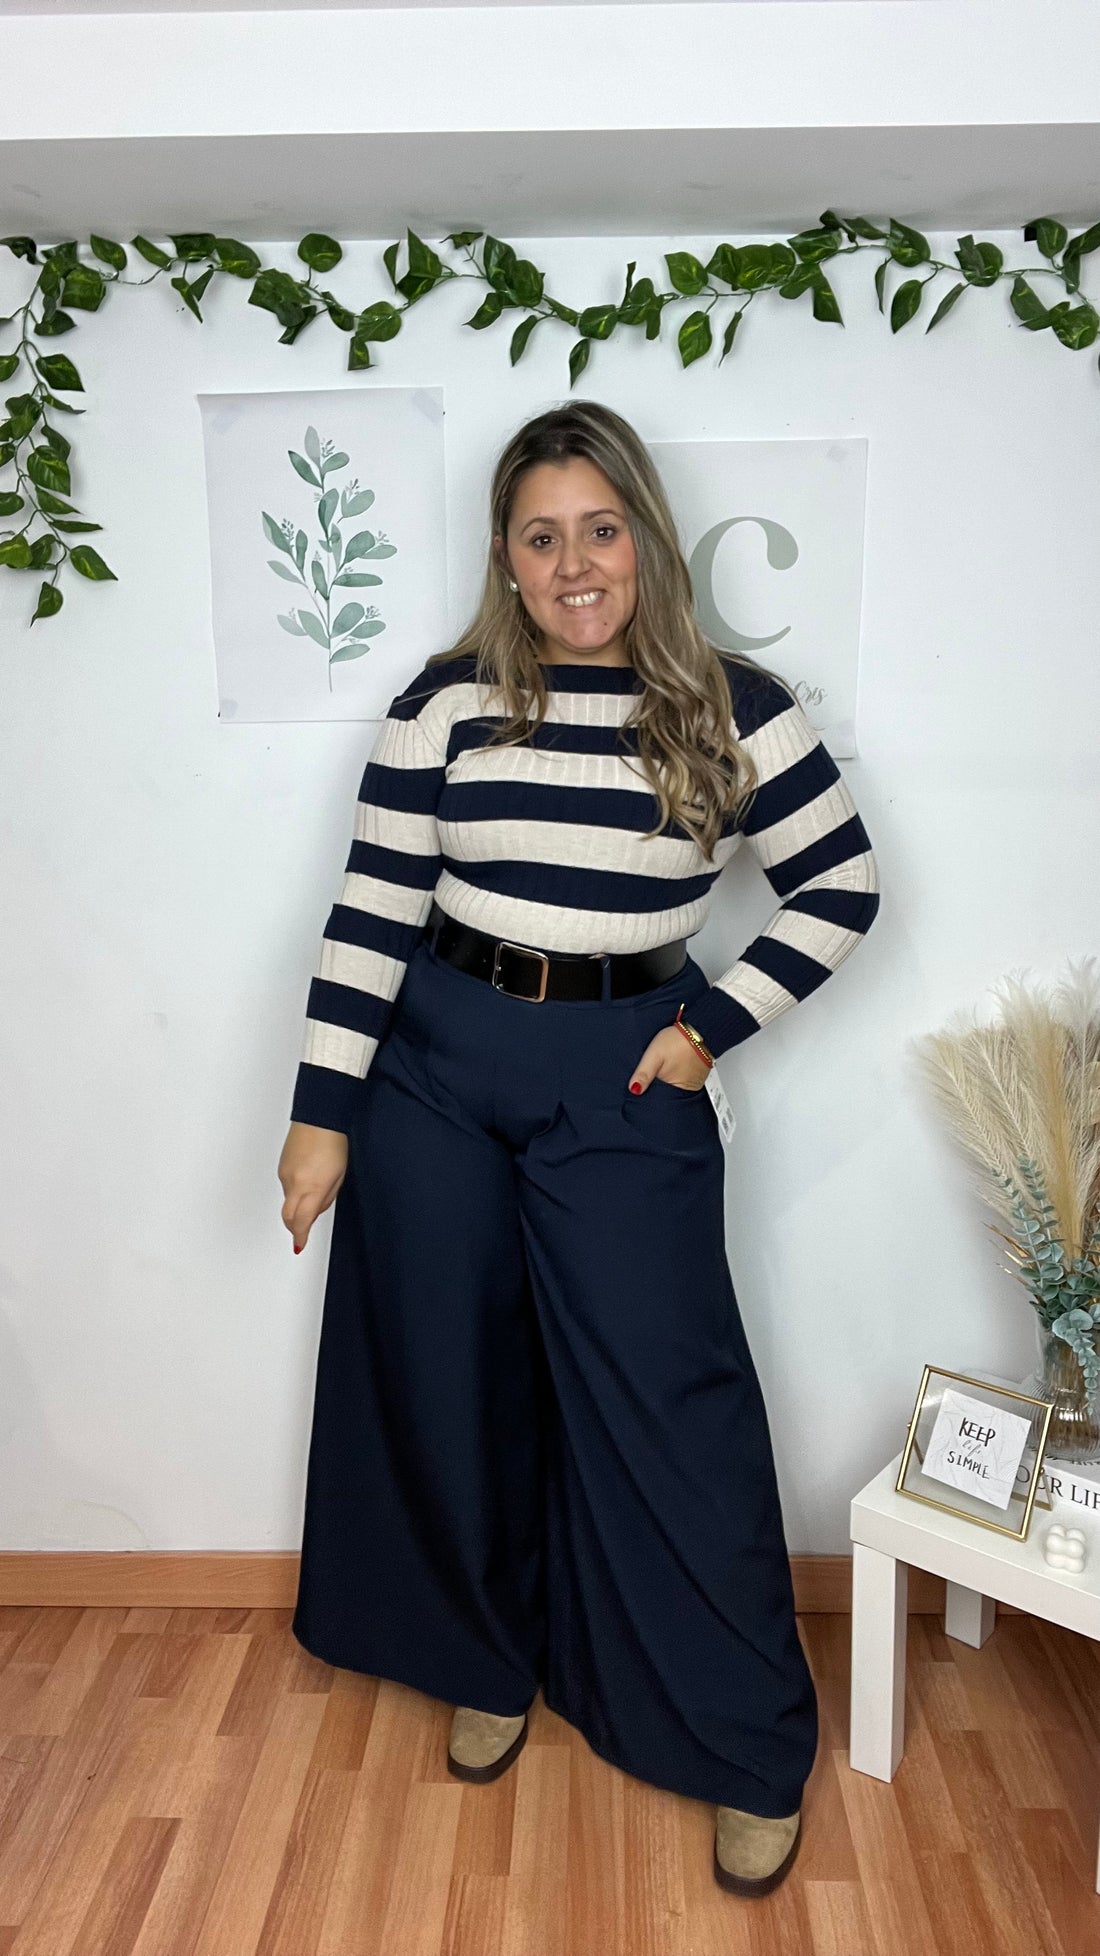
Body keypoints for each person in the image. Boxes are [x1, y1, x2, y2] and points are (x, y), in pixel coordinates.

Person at [278, 400, 880, 1898]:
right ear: (506, 557)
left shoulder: (734, 704)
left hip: (625, 1070)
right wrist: (319, 1116)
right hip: (437, 1068)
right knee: (449, 1378)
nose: (573, 564)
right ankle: (484, 1660)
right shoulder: (446, 701)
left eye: (599, 530)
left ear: (645, 540)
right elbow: (371, 910)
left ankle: (741, 1742)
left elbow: (844, 886)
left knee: (671, 1406)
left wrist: (708, 1031)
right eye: (541, 537)